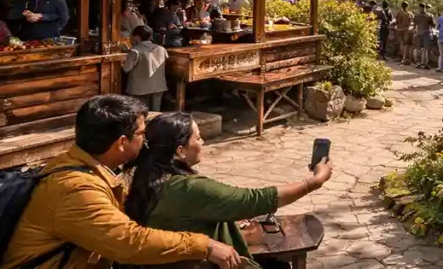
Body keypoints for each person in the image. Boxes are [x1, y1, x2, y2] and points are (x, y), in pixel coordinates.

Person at [1, 95, 242, 269]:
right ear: (121, 143)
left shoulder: (82, 164)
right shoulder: (75, 188)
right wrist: (204, 245)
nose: (146, 141)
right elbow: (129, 243)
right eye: (141, 134)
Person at [126, 113, 335, 269]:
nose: (203, 142)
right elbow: (255, 200)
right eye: (198, 138)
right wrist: (314, 181)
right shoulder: (189, 188)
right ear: (180, 151)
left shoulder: (146, 178)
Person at [120, 26, 168, 111]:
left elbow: (126, 69)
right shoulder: (162, 49)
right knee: (155, 114)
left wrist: (122, 63)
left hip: (139, 89)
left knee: (140, 115)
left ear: (137, 37)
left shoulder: (134, 51)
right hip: (159, 87)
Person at [413, 3, 435, 70]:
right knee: (426, 49)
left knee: (419, 49)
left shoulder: (417, 15)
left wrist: (415, 31)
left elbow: (414, 24)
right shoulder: (429, 15)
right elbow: (433, 25)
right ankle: (426, 63)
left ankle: (419, 63)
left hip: (420, 33)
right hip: (426, 33)